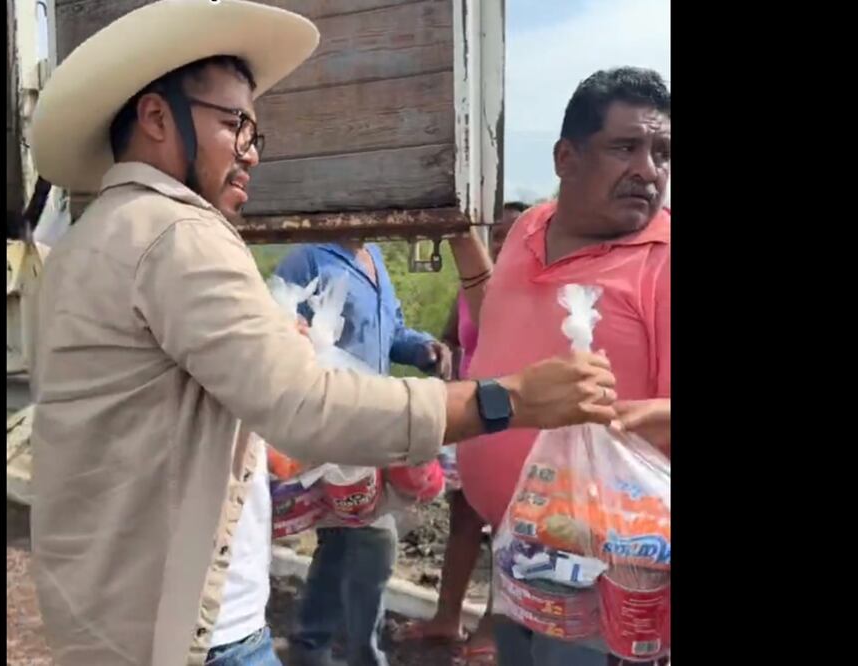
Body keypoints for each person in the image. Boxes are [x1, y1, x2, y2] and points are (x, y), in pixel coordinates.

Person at [26, 2, 621, 665]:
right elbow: (307, 405)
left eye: (254, 132)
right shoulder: (177, 232)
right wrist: (507, 398)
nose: (251, 152)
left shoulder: (89, 241)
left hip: (110, 606)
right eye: (234, 124)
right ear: (157, 118)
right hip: (196, 633)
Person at [458, 67, 672, 666]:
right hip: (516, 552)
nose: (649, 170)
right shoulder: (531, 227)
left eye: (662, 152)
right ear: (566, 158)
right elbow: (503, 324)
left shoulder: (662, 263)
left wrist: (622, 421)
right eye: (625, 147)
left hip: (606, 581)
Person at [272, 241, 451, 666]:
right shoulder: (308, 260)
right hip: (331, 426)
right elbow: (274, 333)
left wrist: (422, 348)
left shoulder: (372, 256)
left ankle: (311, 646)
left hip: (370, 427)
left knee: (340, 544)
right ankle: (361, 655)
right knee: (375, 541)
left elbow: (392, 331)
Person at [393, 201, 527, 665]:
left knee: (508, 530)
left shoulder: (536, 292)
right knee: (464, 522)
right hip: (471, 419)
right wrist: (445, 355)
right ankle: (446, 618)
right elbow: (452, 336)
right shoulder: (470, 288)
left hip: (515, 424)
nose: (502, 244)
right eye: (496, 235)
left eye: (513, 235)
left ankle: (489, 627)